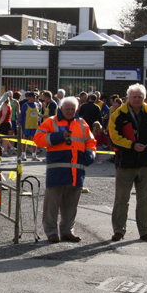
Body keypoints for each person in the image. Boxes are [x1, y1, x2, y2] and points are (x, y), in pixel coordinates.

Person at [34, 97, 96, 243]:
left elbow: (91, 142)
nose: (70, 112)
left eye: (73, 109)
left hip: (76, 172)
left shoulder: (82, 123)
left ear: (77, 110)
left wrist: (90, 154)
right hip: (57, 171)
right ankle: (52, 233)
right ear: (61, 108)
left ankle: (67, 231)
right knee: (52, 205)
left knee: (71, 205)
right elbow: (38, 139)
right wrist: (58, 137)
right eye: (67, 109)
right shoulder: (51, 121)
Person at [109, 83, 147, 243]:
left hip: (146, 163)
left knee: (145, 199)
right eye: (134, 97)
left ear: (144, 98)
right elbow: (113, 137)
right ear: (128, 98)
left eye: (140, 97)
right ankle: (118, 231)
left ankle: (145, 231)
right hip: (125, 163)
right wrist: (131, 145)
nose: (137, 99)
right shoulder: (118, 115)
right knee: (122, 199)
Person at [19, 92, 41, 161]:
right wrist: (21, 123)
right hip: (27, 126)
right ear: (29, 97)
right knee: (25, 140)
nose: (35, 98)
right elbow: (21, 115)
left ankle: (34, 155)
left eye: (36, 97)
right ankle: (23, 155)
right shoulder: (25, 105)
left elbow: (38, 115)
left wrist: (40, 124)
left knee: (34, 140)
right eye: (33, 97)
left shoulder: (37, 105)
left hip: (35, 125)